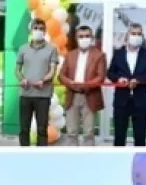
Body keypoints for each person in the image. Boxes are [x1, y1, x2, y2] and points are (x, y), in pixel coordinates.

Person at [59, 24, 108, 146]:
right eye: (81, 36)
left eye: (87, 36)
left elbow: (100, 77)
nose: (84, 39)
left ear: (91, 38)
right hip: (72, 95)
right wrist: (70, 83)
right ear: (76, 38)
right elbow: (61, 75)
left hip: (89, 96)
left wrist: (85, 85)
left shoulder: (99, 55)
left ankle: (88, 161)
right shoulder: (70, 55)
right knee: (71, 132)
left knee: (88, 133)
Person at [108, 23, 146, 147]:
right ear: (127, 35)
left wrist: (138, 80)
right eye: (133, 33)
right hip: (121, 101)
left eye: (139, 34)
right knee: (119, 137)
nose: (136, 36)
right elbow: (110, 73)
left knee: (140, 137)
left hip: (140, 100)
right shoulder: (118, 53)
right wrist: (119, 79)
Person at [16, 18, 60, 147]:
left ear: (45, 31)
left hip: (43, 96)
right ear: (31, 30)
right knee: (24, 129)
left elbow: (53, 71)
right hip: (25, 94)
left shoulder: (52, 49)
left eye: (41, 29)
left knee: (42, 129)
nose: (38, 31)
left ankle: (41, 158)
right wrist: (21, 79)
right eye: (36, 28)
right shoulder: (23, 48)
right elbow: (17, 70)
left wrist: (43, 80)